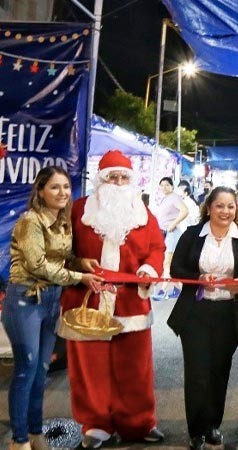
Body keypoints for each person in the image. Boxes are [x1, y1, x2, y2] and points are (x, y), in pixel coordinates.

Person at [58, 149, 168, 448]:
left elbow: (156, 249)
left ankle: (138, 422)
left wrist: (148, 268)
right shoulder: (79, 211)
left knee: (134, 368)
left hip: (130, 303)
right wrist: (79, 263)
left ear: (131, 182)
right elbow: (60, 252)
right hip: (86, 303)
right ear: (101, 180)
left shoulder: (145, 215)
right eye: (112, 177)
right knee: (90, 369)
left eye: (123, 177)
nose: (118, 183)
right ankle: (96, 425)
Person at [3, 167, 104, 450]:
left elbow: (63, 257)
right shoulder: (30, 221)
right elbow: (37, 265)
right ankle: (19, 439)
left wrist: (80, 262)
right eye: (55, 187)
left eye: (66, 187)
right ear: (41, 191)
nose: (62, 193)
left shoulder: (62, 220)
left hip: (51, 299)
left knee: (41, 370)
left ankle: (35, 433)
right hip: (25, 299)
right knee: (27, 368)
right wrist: (79, 278)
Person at [167, 186, 238, 450]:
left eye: (230, 206)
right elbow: (176, 268)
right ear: (208, 207)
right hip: (196, 313)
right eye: (219, 205)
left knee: (219, 372)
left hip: (228, 314)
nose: (225, 211)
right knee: (197, 373)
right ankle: (196, 430)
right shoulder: (192, 235)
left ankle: (212, 426)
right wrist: (196, 279)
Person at [153, 177, 188, 276]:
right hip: (163, 232)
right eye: (162, 185)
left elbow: (185, 211)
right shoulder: (165, 198)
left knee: (167, 262)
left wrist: (173, 224)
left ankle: (166, 288)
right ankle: (165, 287)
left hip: (171, 234)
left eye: (167, 185)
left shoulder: (174, 197)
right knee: (165, 262)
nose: (164, 187)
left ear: (172, 186)